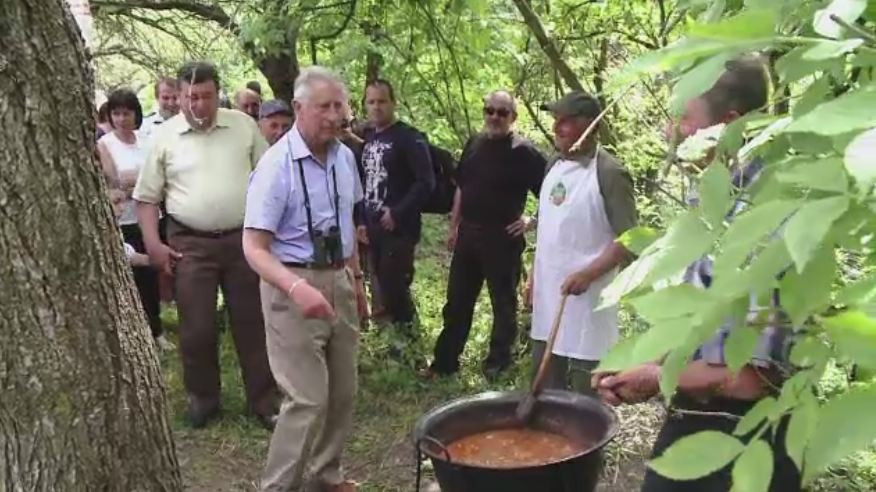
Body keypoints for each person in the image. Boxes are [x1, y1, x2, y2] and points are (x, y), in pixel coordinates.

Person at [591, 57, 801, 492]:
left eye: (683, 119)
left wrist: (657, 378)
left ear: (730, 124)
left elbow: (754, 379)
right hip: (698, 418)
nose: (670, 133)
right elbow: (711, 333)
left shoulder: (768, 221)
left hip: (748, 441)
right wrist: (643, 364)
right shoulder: (711, 203)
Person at [133, 61, 276, 430]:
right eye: (190, 97)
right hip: (189, 243)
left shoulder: (243, 126)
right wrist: (154, 245)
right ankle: (203, 399)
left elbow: (269, 180)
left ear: (218, 94)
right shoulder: (164, 137)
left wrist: (271, 234)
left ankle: (264, 400)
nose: (198, 105)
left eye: (206, 96)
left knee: (254, 321)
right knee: (196, 327)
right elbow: (147, 198)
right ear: (179, 97)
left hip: (244, 239)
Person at [243, 66, 366, 492]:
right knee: (307, 399)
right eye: (324, 107)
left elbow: (348, 227)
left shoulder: (345, 158)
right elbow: (254, 248)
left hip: (340, 280)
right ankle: (278, 488)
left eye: (340, 105)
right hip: (290, 287)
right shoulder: (275, 166)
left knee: (343, 393)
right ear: (298, 108)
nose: (335, 115)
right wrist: (298, 288)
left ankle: (325, 476)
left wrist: (357, 282)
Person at [427, 90, 547, 379]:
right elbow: (462, 188)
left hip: (502, 238)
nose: (494, 117)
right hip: (468, 235)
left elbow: (555, 192)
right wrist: (454, 226)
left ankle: (497, 366)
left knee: (503, 305)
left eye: (501, 112)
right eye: (489, 110)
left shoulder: (524, 152)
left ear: (513, 118)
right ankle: (444, 364)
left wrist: (532, 220)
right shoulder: (475, 143)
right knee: (457, 302)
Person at [527, 91, 637, 394]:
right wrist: (533, 278)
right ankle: (543, 438)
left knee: (585, 393)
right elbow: (550, 228)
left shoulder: (610, 173)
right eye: (555, 120)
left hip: (589, 303)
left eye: (566, 121)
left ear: (592, 125)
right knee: (544, 387)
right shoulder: (553, 166)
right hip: (549, 298)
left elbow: (630, 241)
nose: (556, 128)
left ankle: (589, 441)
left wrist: (588, 274)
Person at [96, 88, 172, 351]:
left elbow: (158, 177)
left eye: (126, 112)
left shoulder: (146, 140)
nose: (120, 118)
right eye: (115, 113)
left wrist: (136, 185)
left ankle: (158, 327)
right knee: (139, 275)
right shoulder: (105, 144)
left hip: (152, 214)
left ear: (135, 113)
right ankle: (147, 331)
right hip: (125, 220)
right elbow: (113, 181)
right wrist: (133, 185)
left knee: (157, 270)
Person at [360, 79, 434, 332]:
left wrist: (398, 212)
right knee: (381, 287)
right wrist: (361, 221)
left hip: (399, 230)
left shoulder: (409, 138)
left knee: (396, 288)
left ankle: (412, 347)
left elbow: (426, 182)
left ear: (393, 103)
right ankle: (394, 343)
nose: (377, 107)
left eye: (382, 101)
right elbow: (363, 181)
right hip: (372, 227)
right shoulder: (368, 137)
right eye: (371, 102)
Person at [140, 77, 180, 143]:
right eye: (165, 98)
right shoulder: (144, 126)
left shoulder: (191, 125)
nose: (171, 103)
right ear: (157, 98)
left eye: (175, 98)